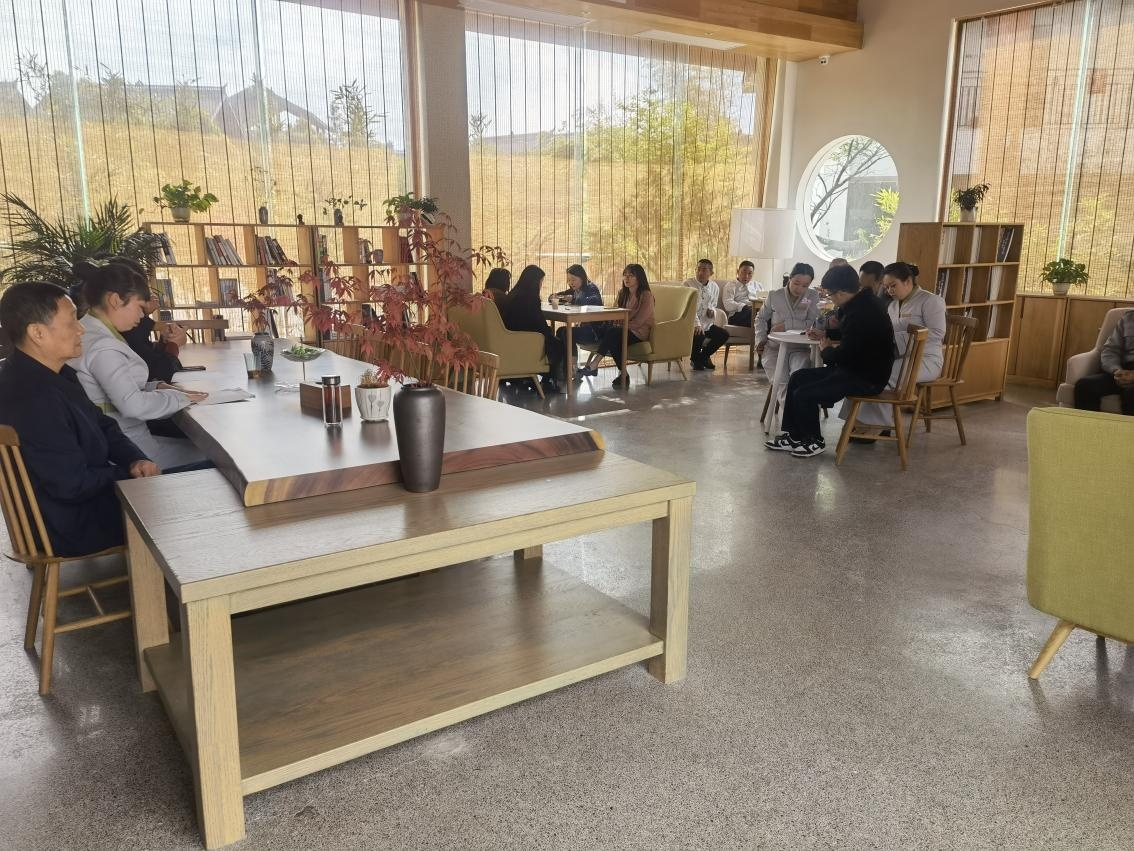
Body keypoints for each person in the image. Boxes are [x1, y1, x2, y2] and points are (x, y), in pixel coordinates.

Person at [0, 282, 160, 556]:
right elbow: (71, 484)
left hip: (78, 508)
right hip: (72, 524)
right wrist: (128, 475)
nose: (81, 329)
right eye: (72, 321)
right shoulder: (32, 397)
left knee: (199, 478)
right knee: (201, 495)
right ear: (37, 333)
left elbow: (104, 425)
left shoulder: (54, 373)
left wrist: (135, 460)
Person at [69, 259, 210, 470]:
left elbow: (117, 388)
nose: (142, 315)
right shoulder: (103, 346)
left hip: (120, 442)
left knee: (201, 449)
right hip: (131, 452)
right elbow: (132, 405)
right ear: (115, 300)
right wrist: (182, 398)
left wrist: (155, 387)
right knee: (219, 458)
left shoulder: (94, 332)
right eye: (139, 307)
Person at [765, 265, 895, 458]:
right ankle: (794, 436)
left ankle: (814, 440)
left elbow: (844, 354)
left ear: (841, 293)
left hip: (866, 378)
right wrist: (826, 334)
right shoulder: (861, 303)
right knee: (798, 378)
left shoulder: (861, 313)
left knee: (805, 393)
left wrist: (826, 350)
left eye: (830, 295)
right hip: (854, 369)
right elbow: (851, 337)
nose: (831, 299)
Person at [847, 262, 946, 431]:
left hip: (926, 360)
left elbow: (937, 332)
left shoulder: (931, 300)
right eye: (886, 287)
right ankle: (856, 421)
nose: (889, 291)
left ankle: (874, 426)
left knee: (881, 375)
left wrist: (895, 339)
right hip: (899, 357)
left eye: (893, 285)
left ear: (908, 281)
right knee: (863, 369)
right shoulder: (892, 305)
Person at [581, 264, 655, 389]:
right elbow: (615, 313)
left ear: (639, 278)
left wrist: (618, 324)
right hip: (621, 329)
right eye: (625, 275)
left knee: (613, 333)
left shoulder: (646, 295)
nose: (626, 278)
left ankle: (594, 364)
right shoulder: (622, 293)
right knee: (610, 334)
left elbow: (639, 322)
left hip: (638, 332)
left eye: (631, 275)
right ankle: (623, 374)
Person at [496, 264, 566, 393]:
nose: (541, 285)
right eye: (540, 281)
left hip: (510, 338)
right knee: (558, 345)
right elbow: (538, 322)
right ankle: (549, 381)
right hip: (526, 340)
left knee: (551, 339)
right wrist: (549, 334)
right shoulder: (530, 298)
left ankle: (528, 378)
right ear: (535, 282)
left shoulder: (513, 294)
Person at [755, 262, 820, 382]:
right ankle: (787, 395)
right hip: (775, 348)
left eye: (805, 286)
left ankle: (793, 394)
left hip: (800, 349)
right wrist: (761, 339)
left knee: (798, 378)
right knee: (781, 381)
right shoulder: (774, 295)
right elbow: (761, 318)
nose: (799, 289)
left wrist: (786, 325)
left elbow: (811, 323)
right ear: (790, 278)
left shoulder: (812, 295)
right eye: (796, 283)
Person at [121, 285, 186, 383]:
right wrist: (174, 345)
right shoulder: (124, 331)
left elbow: (148, 356)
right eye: (149, 294)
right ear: (116, 300)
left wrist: (163, 342)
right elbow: (158, 373)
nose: (153, 297)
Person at [1074, 309, 1134, 414]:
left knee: (1131, 395)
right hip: (1123, 370)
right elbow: (1110, 349)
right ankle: (1087, 424)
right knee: (1084, 386)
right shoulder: (1128, 318)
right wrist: (1116, 370)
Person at [551, 264, 604, 371]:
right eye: (569, 280)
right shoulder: (575, 290)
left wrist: (573, 299)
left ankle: (572, 368)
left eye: (573, 279)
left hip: (594, 332)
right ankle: (564, 368)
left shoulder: (591, 288)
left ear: (582, 278)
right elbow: (554, 296)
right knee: (561, 331)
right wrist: (555, 296)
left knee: (567, 332)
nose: (571, 283)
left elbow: (593, 301)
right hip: (584, 329)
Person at [684, 259, 728, 370]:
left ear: (711, 273)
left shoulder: (715, 287)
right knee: (699, 334)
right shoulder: (687, 284)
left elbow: (713, 305)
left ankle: (702, 357)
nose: (700, 273)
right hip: (689, 323)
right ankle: (696, 360)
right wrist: (697, 324)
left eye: (704, 270)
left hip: (706, 324)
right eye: (698, 269)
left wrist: (712, 311)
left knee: (723, 334)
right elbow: (688, 308)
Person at [722, 260, 761, 327]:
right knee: (754, 313)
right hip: (737, 315)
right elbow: (727, 304)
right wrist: (743, 306)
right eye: (743, 272)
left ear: (753, 274)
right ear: (737, 272)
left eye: (750, 273)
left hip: (755, 312)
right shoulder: (730, 285)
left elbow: (763, 299)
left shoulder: (758, 285)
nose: (746, 276)